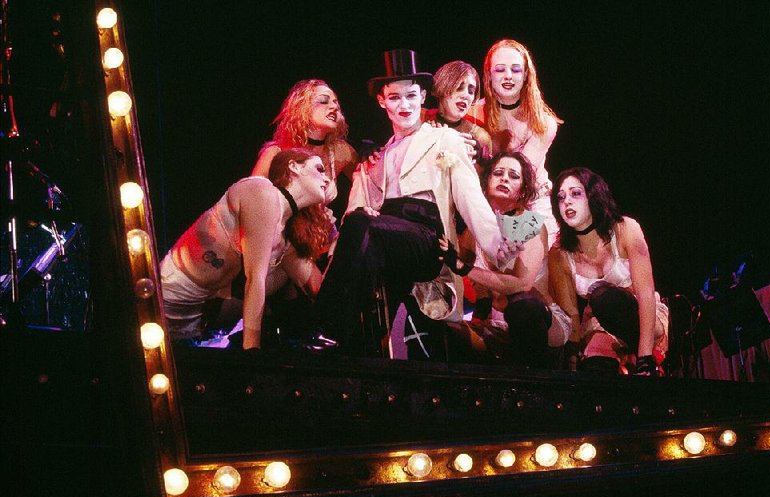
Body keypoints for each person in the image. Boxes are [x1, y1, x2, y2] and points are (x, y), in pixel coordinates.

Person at [308, 49, 517, 354]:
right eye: (394, 98)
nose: (403, 105)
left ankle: (329, 329)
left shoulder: (444, 139)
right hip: (384, 240)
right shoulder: (374, 161)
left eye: (410, 96)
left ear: (422, 97)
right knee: (361, 224)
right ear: (382, 101)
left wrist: (498, 248)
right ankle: (349, 345)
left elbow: (470, 195)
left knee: (366, 224)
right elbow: (353, 218)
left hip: (427, 239)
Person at [160, 148, 331, 350]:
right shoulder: (260, 191)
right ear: (293, 167)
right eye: (319, 169)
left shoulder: (285, 238)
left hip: (192, 322)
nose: (327, 179)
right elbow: (255, 279)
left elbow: (318, 288)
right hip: (164, 298)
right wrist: (252, 351)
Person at [439, 152, 570, 366]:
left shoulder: (531, 224)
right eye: (498, 173)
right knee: (446, 331)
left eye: (514, 176)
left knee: (523, 306)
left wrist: (464, 268)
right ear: (485, 184)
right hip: (500, 325)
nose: (505, 179)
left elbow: (522, 284)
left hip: (542, 323)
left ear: (523, 191)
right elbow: (452, 261)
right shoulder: (474, 231)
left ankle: (536, 386)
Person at [547, 167, 669, 375]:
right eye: (560, 197)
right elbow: (572, 315)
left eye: (576, 193)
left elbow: (646, 292)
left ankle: (642, 357)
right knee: (596, 367)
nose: (566, 201)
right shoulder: (559, 253)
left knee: (605, 298)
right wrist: (572, 360)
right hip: (598, 322)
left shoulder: (626, 229)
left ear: (593, 195)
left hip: (643, 314)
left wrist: (645, 356)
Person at [468, 39, 563, 245]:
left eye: (516, 70)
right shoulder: (472, 114)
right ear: (489, 75)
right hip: (487, 203)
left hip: (532, 202)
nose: (508, 76)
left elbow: (517, 178)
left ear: (526, 75)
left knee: (528, 262)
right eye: (500, 69)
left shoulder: (543, 123)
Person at [251, 79, 359, 225]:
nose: (334, 106)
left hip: (321, 238)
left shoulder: (341, 152)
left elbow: (368, 185)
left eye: (336, 102)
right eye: (323, 101)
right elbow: (250, 201)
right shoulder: (276, 153)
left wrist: (373, 157)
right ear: (303, 107)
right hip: (281, 238)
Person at [424, 60, 492, 168]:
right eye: (459, 87)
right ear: (442, 87)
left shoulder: (479, 137)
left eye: (471, 91)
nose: (466, 95)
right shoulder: (421, 119)